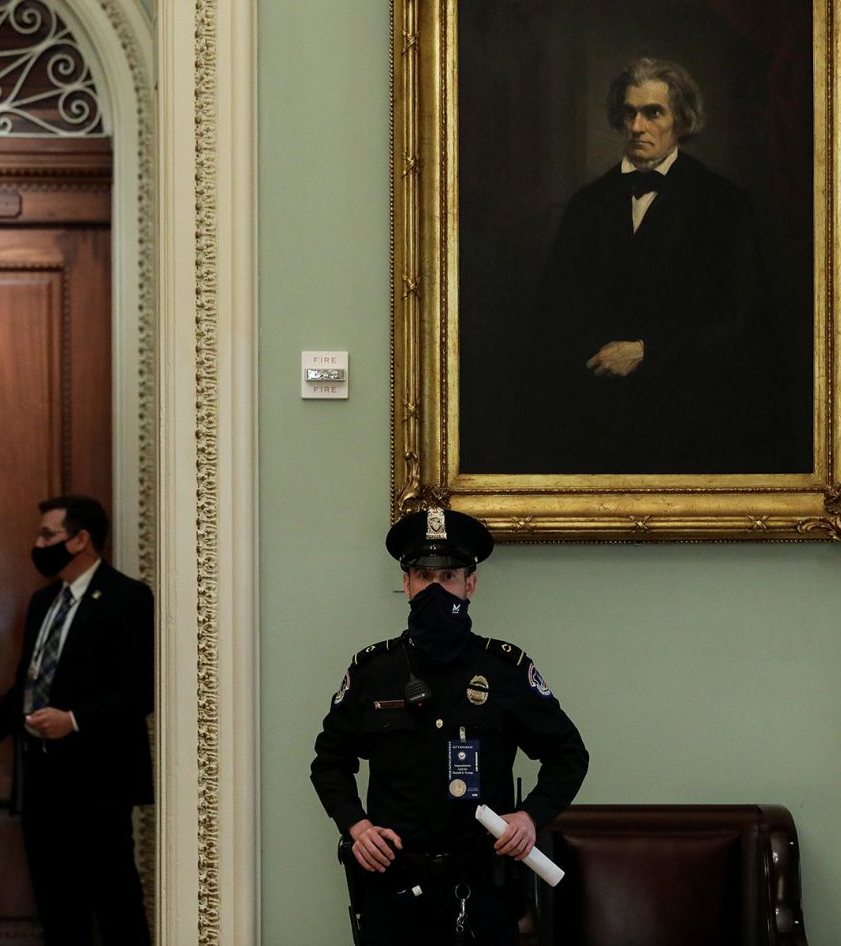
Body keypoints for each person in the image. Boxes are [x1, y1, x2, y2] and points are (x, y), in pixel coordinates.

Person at [311, 508, 589, 945]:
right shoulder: (373, 672)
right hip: (395, 891)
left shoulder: (504, 670)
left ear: (470, 584)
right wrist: (357, 827)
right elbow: (328, 762)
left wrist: (531, 816)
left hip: (481, 892)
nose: (435, 590)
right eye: (424, 576)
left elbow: (568, 755)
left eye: (448, 577)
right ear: (406, 584)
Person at [516, 56, 796, 475]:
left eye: (652, 113)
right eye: (629, 113)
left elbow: (748, 325)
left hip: (689, 424)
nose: (636, 126)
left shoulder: (724, 205)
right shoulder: (587, 205)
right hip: (596, 427)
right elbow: (550, 319)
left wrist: (649, 352)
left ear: (681, 121)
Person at [0, 494, 154, 946]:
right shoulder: (43, 602)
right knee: (58, 910)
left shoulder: (127, 597)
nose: (38, 544)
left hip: (99, 783)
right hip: (41, 781)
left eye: (47, 535)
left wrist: (73, 720)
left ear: (81, 540)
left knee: (116, 905)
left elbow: (140, 692)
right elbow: (29, 687)